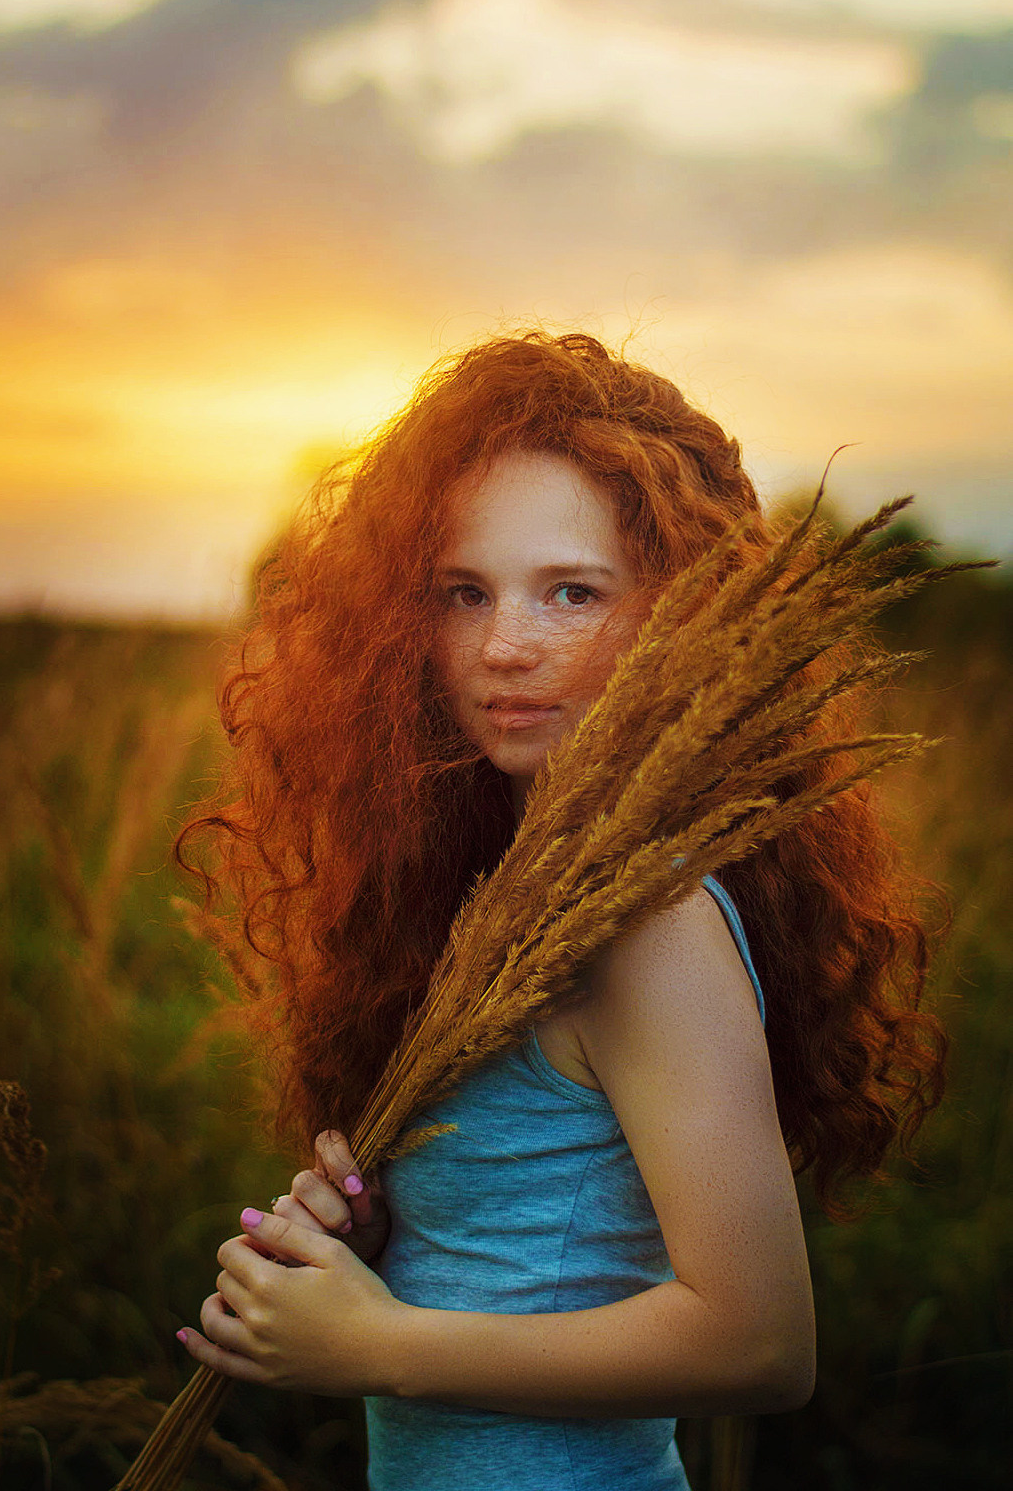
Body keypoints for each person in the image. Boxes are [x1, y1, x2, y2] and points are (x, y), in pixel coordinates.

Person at [175, 332, 945, 1490]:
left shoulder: (649, 921)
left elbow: (761, 1343)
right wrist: (384, 1245)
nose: (502, 646)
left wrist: (379, 1343)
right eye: (462, 593)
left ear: (671, 614)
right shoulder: (502, 887)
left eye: (570, 592)